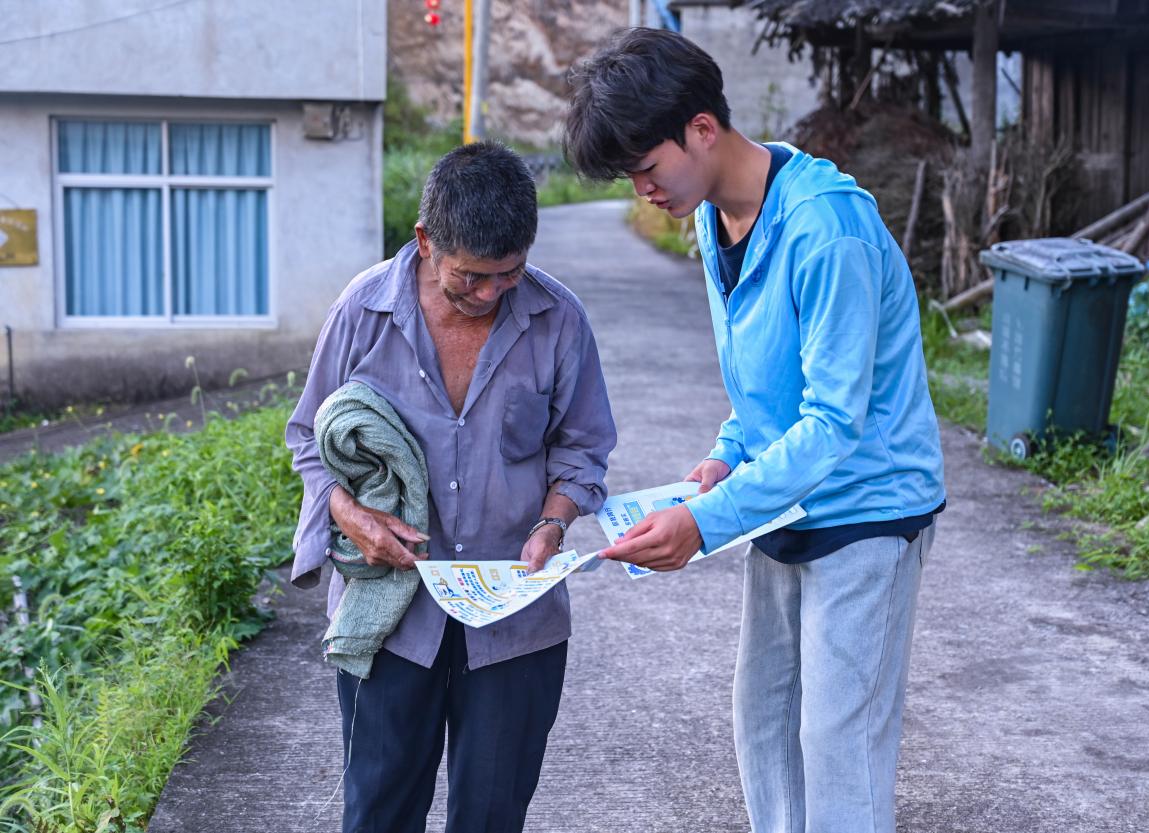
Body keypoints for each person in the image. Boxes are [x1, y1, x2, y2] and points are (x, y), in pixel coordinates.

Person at [564, 28, 946, 833]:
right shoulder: (714, 215)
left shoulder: (825, 229)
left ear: (701, 128)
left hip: (867, 510)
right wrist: (723, 457)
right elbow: (765, 388)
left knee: (838, 744)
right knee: (764, 719)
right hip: (781, 501)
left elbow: (833, 420)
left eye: (646, 167)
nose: (642, 189)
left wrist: (704, 522)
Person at [285, 141, 616, 833]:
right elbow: (308, 438)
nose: (491, 293)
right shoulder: (362, 311)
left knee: (492, 817)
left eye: (509, 273)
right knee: (378, 814)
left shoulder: (559, 319)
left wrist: (552, 523)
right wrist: (349, 514)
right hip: (390, 618)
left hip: (514, 621)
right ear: (425, 240)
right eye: (471, 276)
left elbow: (582, 447)